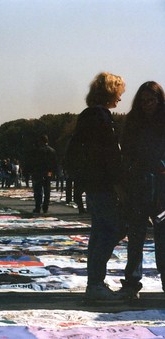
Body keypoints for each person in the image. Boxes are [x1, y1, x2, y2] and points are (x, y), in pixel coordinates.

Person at [66, 72, 126, 301]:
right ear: (110, 91)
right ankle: (96, 283)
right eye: (119, 92)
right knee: (114, 228)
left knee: (100, 231)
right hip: (103, 185)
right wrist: (117, 184)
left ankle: (95, 282)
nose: (120, 98)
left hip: (94, 184)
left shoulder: (90, 115)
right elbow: (107, 155)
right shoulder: (100, 117)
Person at [119, 81, 165, 299]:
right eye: (143, 101)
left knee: (163, 237)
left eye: (151, 100)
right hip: (138, 186)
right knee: (135, 236)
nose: (147, 105)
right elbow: (126, 153)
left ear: (159, 100)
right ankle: (131, 283)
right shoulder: (132, 123)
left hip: (162, 189)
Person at [30, 135, 57, 213]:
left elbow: (35, 163)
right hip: (48, 172)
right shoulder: (52, 150)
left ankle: (38, 207)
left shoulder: (38, 151)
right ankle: (45, 207)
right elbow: (55, 163)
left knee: (38, 191)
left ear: (41, 141)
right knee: (47, 190)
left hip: (39, 172)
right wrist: (52, 173)